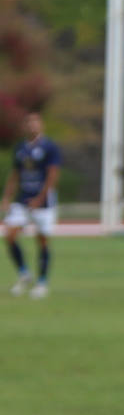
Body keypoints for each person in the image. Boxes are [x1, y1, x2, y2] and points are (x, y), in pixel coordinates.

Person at [3, 110, 61, 299]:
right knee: (10, 234)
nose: (32, 126)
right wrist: (6, 197)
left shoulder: (50, 147)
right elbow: (15, 174)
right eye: (29, 123)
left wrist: (40, 198)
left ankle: (42, 282)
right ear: (25, 126)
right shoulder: (21, 148)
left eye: (35, 122)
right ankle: (24, 273)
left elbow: (53, 175)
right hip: (23, 198)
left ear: (41, 125)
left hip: (43, 202)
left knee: (42, 240)